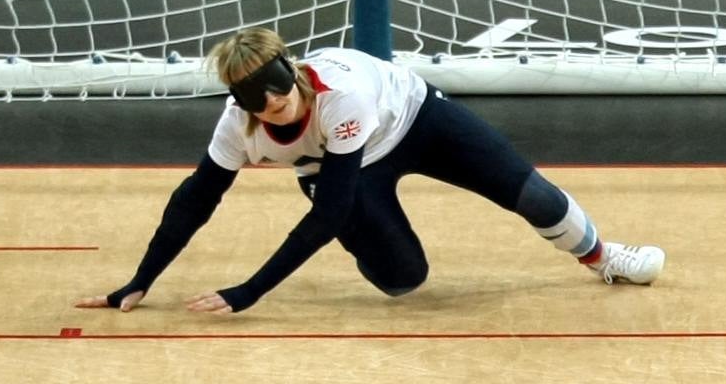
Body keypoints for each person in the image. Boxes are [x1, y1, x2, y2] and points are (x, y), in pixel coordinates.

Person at [80, 28, 662, 313]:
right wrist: (140, 280)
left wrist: (249, 292)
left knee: (531, 195)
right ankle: (372, 237)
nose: (272, 105)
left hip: (413, 118)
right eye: (255, 99)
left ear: (292, 68)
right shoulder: (240, 125)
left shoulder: (342, 97)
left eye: (278, 90)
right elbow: (195, 200)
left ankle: (604, 256)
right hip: (339, 162)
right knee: (402, 281)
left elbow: (329, 209)